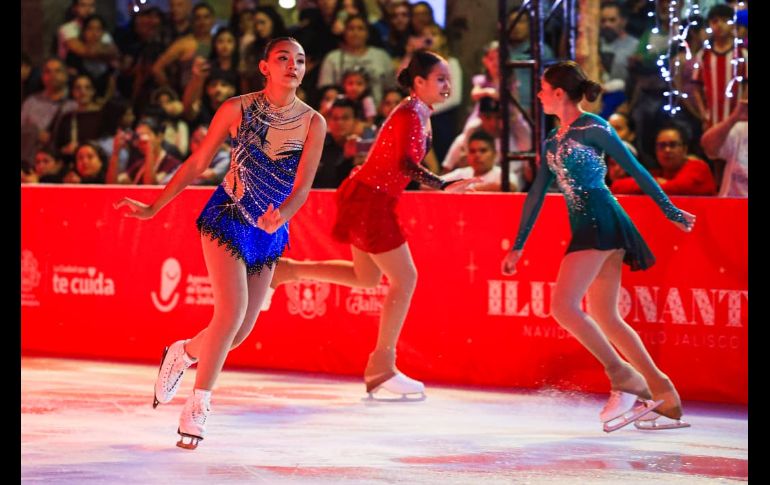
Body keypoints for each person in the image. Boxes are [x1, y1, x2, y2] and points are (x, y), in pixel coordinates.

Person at [114, 37, 326, 449]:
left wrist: (281, 215)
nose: (292, 66)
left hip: (268, 229)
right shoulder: (237, 108)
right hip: (227, 215)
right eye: (282, 58)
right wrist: (154, 206)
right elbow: (196, 163)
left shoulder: (313, 122)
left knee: (241, 330)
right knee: (230, 314)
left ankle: (183, 351)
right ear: (265, 66)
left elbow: (302, 189)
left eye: (299, 60)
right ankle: (198, 405)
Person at [268, 50, 477, 401]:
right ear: (420, 82)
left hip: (368, 195)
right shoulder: (411, 113)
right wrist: (441, 183)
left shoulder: (416, 113)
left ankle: (285, 271)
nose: (447, 86)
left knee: (367, 278)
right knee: (405, 278)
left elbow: (390, 155)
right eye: (440, 79)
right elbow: (405, 163)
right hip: (371, 201)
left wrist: (442, 180)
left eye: (448, 79)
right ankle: (383, 367)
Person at [500, 61, 695, 433]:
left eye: (542, 88)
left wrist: (669, 209)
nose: (538, 95)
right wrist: (518, 245)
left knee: (563, 305)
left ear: (559, 93)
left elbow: (635, 169)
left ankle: (622, 374)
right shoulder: (553, 140)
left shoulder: (595, 128)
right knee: (606, 316)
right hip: (589, 223)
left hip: (601, 218)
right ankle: (664, 393)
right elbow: (537, 194)